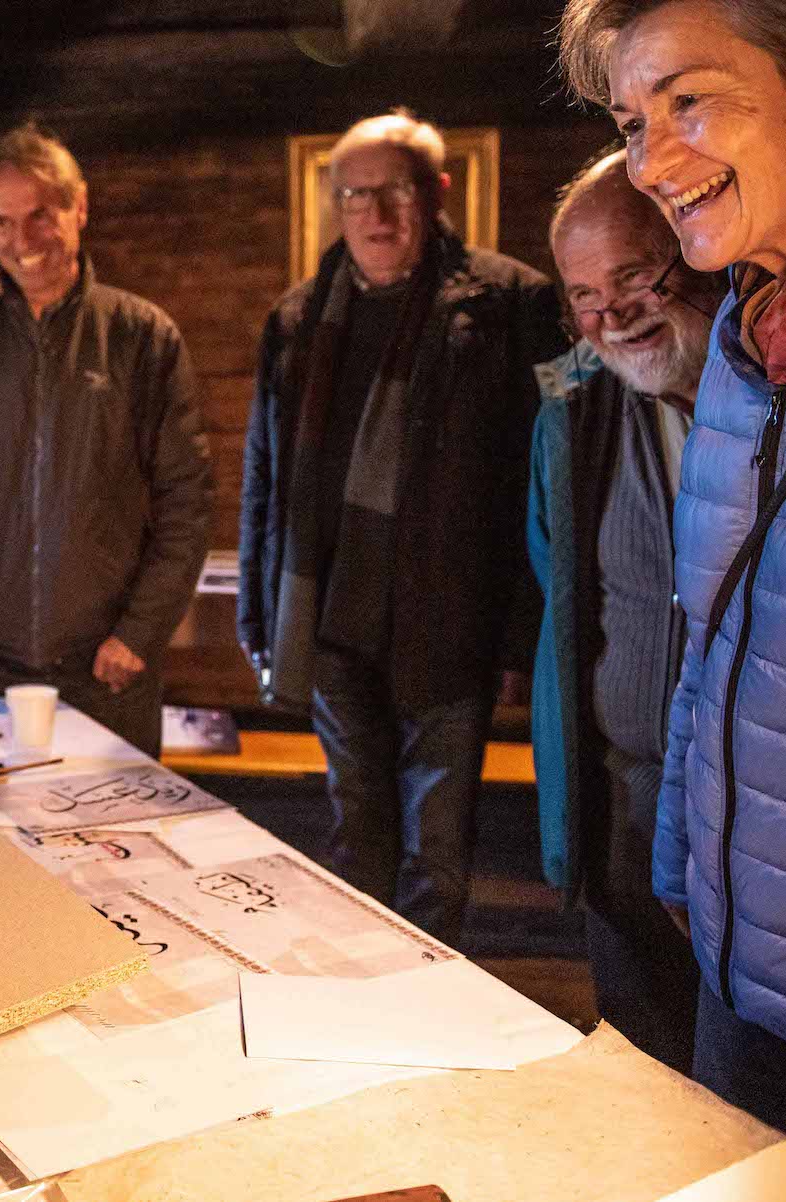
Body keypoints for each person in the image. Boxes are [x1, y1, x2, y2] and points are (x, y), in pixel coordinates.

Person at [561, 0, 786, 1176]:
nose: (654, 162)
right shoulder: (752, 338)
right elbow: (716, 639)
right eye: (632, 123)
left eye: (690, 99)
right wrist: (687, 855)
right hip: (742, 966)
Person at [236, 109, 563, 944]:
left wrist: (520, 635)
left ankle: (430, 989)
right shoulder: (299, 318)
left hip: (449, 622)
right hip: (333, 621)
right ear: (336, 204)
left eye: (395, 192)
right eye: (355, 195)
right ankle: (366, 982)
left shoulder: (509, 304)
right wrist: (258, 613)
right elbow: (266, 474)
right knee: (356, 832)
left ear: (436, 193)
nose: (375, 214)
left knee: (438, 849)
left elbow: (534, 486)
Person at [0, 122, 212, 759]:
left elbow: (187, 501)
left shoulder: (143, 337)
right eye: (2, 222)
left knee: (119, 822)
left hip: (108, 670)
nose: (22, 242)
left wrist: (139, 633)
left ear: (80, 207)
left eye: (40, 215)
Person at [527, 150, 723, 1073]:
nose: (612, 316)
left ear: (694, 250)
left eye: (634, 277)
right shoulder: (572, 410)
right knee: (641, 1064)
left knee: (748, 1082)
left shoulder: (776, 394)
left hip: (744, 816)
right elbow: (560, 589)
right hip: (619, 805)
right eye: (584, 296)